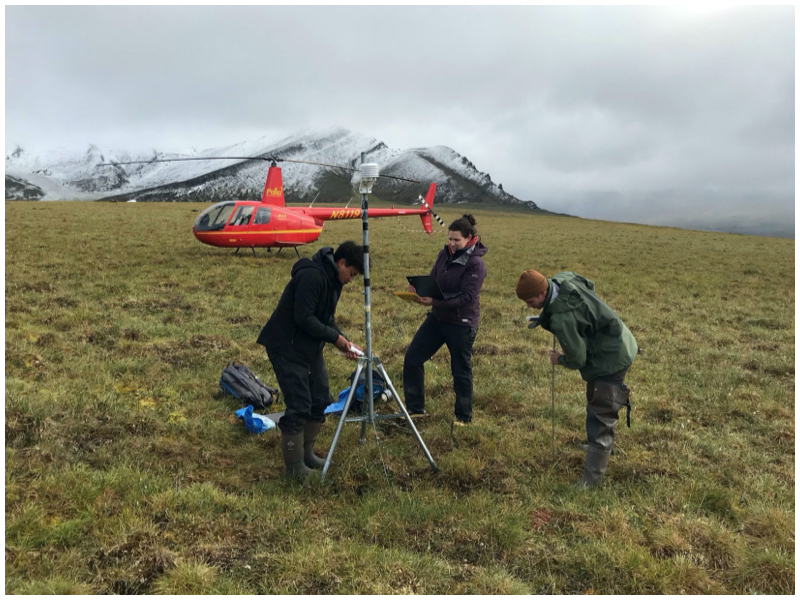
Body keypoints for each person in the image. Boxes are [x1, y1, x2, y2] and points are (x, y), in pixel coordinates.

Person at [516, 269, 637, 488]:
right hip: (615, 339)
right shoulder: (562, 281)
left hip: (612, 355)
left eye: (531, 300)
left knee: (601, 411)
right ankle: (598, 447)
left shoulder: (563, 318)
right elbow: (585, 282)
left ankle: (591, 479)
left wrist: (559, 359)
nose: (529, 305)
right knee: (596, 397)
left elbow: (578, 359)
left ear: (542, 293)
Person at [257, 241, 364, 480]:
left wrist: (344, 341)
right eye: (352, 274)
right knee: (298, 406)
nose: (350, 280)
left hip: (309, 349)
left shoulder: (334, 282)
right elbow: (304, 317)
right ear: (341, 263)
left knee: (320, 400)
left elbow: (325, 319)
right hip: (286, 346)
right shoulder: (312, 277)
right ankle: (294, 468)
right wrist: (334, 338)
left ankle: (306, 454)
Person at [403, 215, 488, 426]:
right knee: (412, 358)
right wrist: (419, 289)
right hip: (437, 319)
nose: (451, 243)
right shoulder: (444, 254)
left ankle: (463, 417)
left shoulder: (476, 264)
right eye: (450, 239)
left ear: (470, 238)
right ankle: (415, 410)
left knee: (460, 370)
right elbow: (433, 281)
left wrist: (434, 301)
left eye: (456, 240)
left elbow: (466, 297)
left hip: (462, 323)